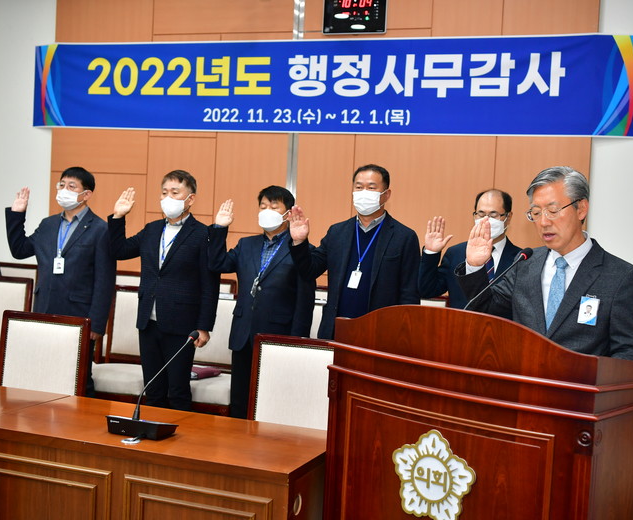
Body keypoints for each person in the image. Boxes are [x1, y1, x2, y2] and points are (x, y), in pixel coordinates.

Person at [456, 166, 633, 361]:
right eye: (536, 213)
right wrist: (475, 265)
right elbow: (487, 311)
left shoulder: (620, 277)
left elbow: (629, 352)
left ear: (581, 209)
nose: (543, 222)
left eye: (553, 211)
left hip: (580, 380)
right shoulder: (525, 263)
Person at [109, 170, 220, 411]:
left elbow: (209, 284)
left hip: (182, 324)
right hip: (148, 322)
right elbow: (119, 250)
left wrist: (204, 326)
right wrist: (118, 217)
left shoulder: (203, 234)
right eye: (164, 192)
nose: (168, 197)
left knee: (178, 391)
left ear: (190, 199)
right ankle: (151, 431)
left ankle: (181, 434)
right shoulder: (152, 229)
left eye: (175, 192)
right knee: (153, 389)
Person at [5, 166, 115, 395]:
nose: (64, 190)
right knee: (43, 372)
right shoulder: (48, 224)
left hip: (80, 315)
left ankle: (83, 417)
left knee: (77, 377)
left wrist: (97, 324)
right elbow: (19, 250)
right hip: (45, 308)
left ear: (86, 194)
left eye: (71, 186)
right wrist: (17, 214)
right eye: (61, 185)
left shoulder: (100, 229)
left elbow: (104, 281)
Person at [208, 186, 315, 418]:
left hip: (278, 337)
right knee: (240, 402)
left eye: (274, 207)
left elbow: (305, 301)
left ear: (287, 213)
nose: (267, 211)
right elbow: (217, 264)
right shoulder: (246, 244)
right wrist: (219, 229)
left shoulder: (301, 250)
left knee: (272, 402)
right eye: (263, 206)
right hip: (243, 334)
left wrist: (297, 342)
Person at [288, 164, 420, 339]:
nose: (363, 192)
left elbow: (409, 295)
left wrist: (403, 337)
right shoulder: (337, 232)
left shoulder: (404, 237)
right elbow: (309, 270)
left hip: (381, 333)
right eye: (359, 187)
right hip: (336, 330)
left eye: (371, 187)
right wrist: (299, 242)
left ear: (386, 194)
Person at [419, 189, 521, 308]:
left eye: (493, 214)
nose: (486, 220)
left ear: (508, 217)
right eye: (481, 214)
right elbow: (427, 290)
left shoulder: (521, 259)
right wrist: (431, 252)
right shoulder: (455, 254)